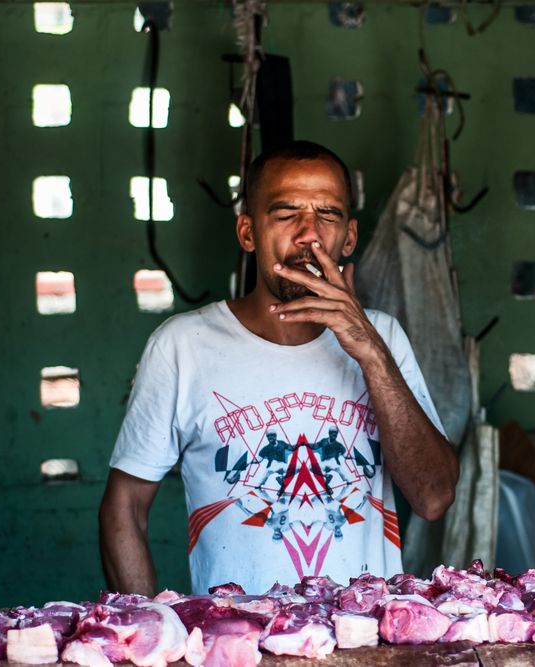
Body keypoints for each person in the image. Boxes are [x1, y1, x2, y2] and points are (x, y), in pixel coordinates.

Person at [99, 140, 459, 597]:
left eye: (327, 214)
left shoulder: (383, 338)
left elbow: (433, 498)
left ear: (348, 238)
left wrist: (369, 350)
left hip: (365, 640)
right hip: (238, 644)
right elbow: (124, 507)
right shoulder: (182, 346)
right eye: (287, 214)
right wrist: (146, 627)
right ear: (248, 233)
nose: (309, 233)